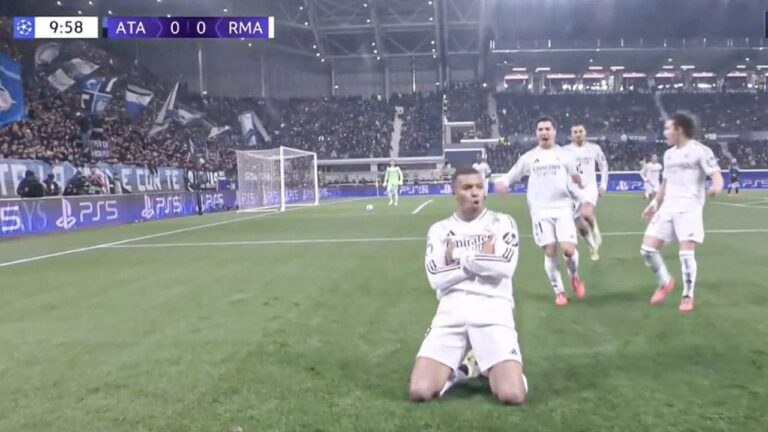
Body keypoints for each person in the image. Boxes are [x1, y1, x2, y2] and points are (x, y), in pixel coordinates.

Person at [409, 167, 526, 405]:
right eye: (467, 187)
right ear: (454, 193)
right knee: (420, 391)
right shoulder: (439, 230)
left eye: (479, 187)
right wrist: (482, 259)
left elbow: (504, 267)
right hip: (451, 311)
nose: (475, 192)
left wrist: (457, 255)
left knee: (512, 395)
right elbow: (436, 278)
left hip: (493, 310)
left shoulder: (502, 222)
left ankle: (491, 367)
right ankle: (463, 370)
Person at [494, 116, 586, 306]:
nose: (544, 132)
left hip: (563, 208)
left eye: (547, 129)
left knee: (568, 250)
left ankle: (574, 277)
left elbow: (578, 176)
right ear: (536, 133)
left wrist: (579, 180)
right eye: (540, 129)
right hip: (540, 211)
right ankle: (559, 292)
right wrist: (501, 182)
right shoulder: (528, 157)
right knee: (550, 251)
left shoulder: (566, 155)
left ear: (554, 131)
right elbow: (511, 175)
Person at [640, 112, 723, 313]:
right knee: (647, 250)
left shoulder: (701, 151)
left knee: (686, 254)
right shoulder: (668, 154)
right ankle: (665, 282)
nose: (665, 132)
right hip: (668, 206)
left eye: (668, 128)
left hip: (689, 207)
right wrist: (654, 204)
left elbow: (716, 174)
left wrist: (716, 187)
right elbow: (665, 183)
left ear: (679, 129)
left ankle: (687, 295)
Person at [565, 124, 608, 261]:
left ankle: (596, 232)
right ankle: (593, 247)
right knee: (581, 228)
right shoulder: (565, 151)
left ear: (585, 133)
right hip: (572, 190)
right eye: (575, 132)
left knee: (587, 214)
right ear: (571, 135)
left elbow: (604, 166)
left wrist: (603, 186)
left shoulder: (594, 148)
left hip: (589, 187)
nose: (578, 134)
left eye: (580, 131)